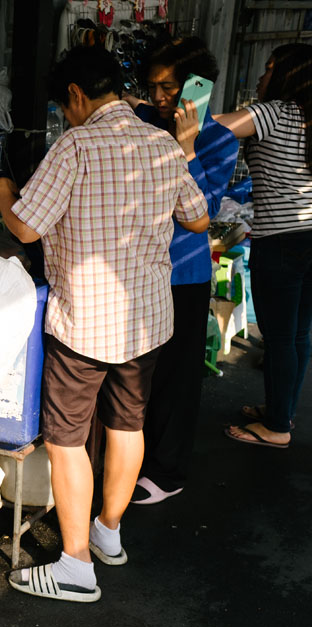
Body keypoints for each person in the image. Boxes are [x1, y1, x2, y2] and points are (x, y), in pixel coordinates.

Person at [0, 46, 209, 603]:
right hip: (147, 320)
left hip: (84, 323)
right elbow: (199, 217)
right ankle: (108, 533)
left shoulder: (76, 146)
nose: (66, 117)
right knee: (127, 424)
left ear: (78, 97)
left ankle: (76, 566)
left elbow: (27, 230)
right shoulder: (162, 142)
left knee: (66, 441)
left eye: (65, 107)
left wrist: (1, 196)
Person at [123, 38, 239, 504]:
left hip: (183, 274)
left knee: (176, 375)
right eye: (152, 87)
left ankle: (167, 473)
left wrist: (187, 147)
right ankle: (129, 461)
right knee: (134, 375)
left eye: (169, 87)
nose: (159, 97)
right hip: (134, 267)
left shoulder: (219, 139)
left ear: (197, 87)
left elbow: (205, 209)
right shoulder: (144, 122)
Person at [217, 44, 312, 449]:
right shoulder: (309, 119)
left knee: (278, 337)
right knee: (298, 336)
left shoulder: (275, 112)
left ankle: (277, 429)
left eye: (270, 69)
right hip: (308, 235)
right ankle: (281, 411)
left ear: (289, 77)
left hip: (282, 241)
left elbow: (216, 128)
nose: (260, 77)